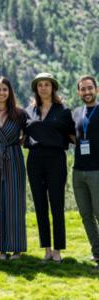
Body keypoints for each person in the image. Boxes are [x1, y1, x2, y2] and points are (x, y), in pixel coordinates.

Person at [24, 72, 75, 262]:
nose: (43, 88)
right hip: (35, 159)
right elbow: (23, 133)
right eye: (40, 85)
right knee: (40, 204)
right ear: (36, 89)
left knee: (56, 204)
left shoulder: (63, 111)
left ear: (53, 87)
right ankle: (46, 248)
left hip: (56, 159)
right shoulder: (29, 111)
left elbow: (73, 135)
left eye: (47, 84)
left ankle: (58, 250)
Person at [0, 77, 27, 260]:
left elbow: (28, 134)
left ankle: (16, 247)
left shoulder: (19, 113)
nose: (1, 93)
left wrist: (14, 145)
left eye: (5, 89)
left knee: (15, 201)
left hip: (13, 157)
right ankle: (0, 247)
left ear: (10, 92)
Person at [72, 75, 99, 269]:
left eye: (90, 88)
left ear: (96, 90)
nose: (87, 92)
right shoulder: (76, 113)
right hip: (78, 171)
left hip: (97, 171)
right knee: (86, 214)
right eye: (83, 89)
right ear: (78, 92)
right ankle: (96, 252)